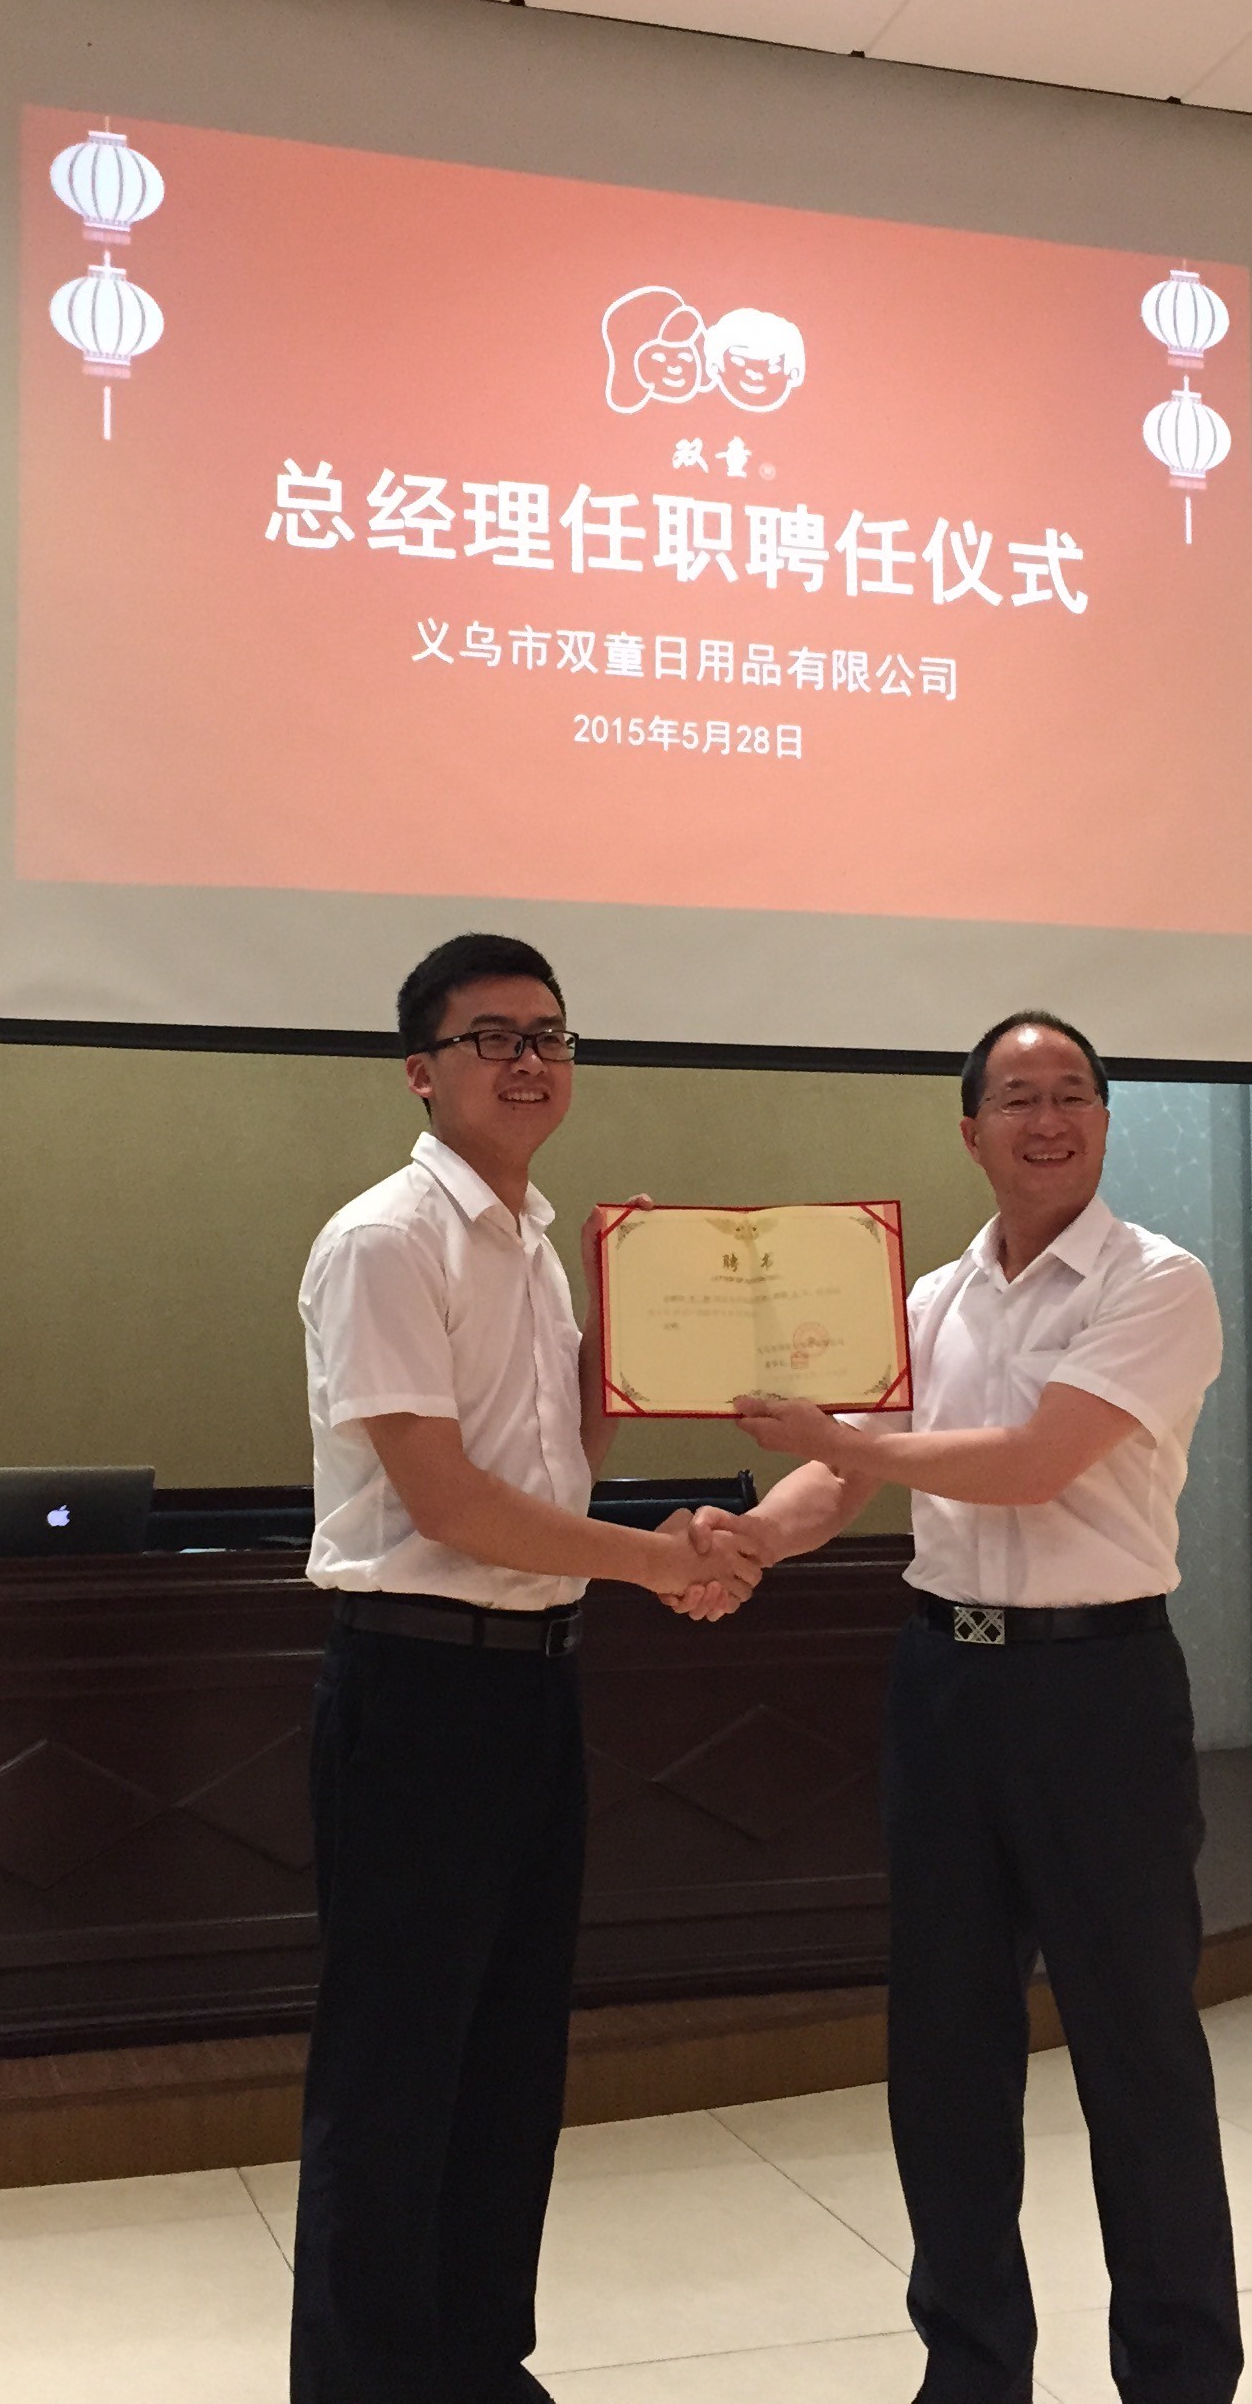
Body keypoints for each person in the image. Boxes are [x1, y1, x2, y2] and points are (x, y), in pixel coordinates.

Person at [723, 1009, 1240, 2404]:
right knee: (945, 2051)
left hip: (1099, 1690)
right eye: (1018, 1097)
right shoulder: (929, 1301)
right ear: (971, 1132)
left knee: (1137, 2047)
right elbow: (844, 1478)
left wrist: (844, 1443)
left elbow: (1031, 1462)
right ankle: (969, 2371)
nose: (1048, 1119)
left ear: (1104, 1120)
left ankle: (1180, 2377)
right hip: (944, 1683)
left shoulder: (1157, 1282)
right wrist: (746, 1539)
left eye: (1073, 1093)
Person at [291, 932, 761, 2404]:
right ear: (421, 1073)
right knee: (395, 2072)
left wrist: (632, 1332)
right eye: (491, 1036)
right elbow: (449, 1504)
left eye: (550, 1034)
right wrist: (658, 1562)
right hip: (418, 1690)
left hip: (531, 1685)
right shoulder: (386, 1240)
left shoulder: (539, 1242)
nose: (530, 1060)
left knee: (508, 2060)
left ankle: (480, 2365)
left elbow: (557, 1455)